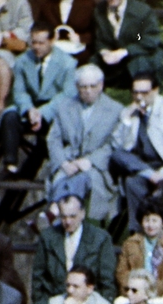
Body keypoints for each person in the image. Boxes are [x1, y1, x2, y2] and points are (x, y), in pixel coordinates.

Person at [46, 63, 123, 224]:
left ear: (101, 85)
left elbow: (113, 144)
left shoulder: (115, 109)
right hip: (68, 162)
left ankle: (55, 212)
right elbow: (53, 139)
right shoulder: (64, 106)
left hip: (96, 167)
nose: (88, 91)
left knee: (81, 179)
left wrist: (89, 161)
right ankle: (64, 221)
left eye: (92, 86)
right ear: (76, 87)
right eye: (83, 87)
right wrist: (63, 162)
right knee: (64, 176)